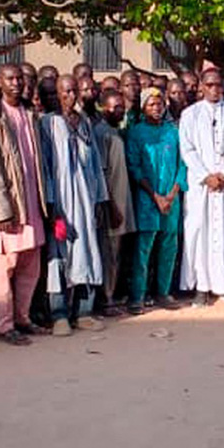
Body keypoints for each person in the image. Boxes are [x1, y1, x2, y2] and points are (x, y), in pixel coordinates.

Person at [0, 64, 45, 345]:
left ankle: (22, 317)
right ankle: (4, 325)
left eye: (19, 78)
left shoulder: (30, 114)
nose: (16, 83)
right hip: (9, 206)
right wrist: (2, 210)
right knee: (5, 267)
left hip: (32, 203)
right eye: (10, 79)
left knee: (30, 264)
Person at [40, 75, 110, 333]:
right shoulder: (47, 124)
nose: (71, 96)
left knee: (88, 253)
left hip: (86, 200)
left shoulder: (85, 124)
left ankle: (84, 312)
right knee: (58, 257)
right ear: (57, 95)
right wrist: (51, 206)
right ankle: (59, 315)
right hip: (61, 202)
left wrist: (101, 200)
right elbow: (45, 168)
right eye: (66, 92)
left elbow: (95, 165)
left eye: (74, 92)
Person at [180, 69, 224, 307]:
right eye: (209, 85)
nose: (214, 89)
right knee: (200, 234)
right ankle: (202, 286)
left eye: (218, 85)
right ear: (202, 86)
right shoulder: (190, 114)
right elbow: (187, 149)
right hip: (202, 185)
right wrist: (206, 176)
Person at [125, 87, 186, 314]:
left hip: (172, 199)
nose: (156, 108)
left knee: (169, 246)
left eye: (159, 104)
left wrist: (171, 194)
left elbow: (183, 164)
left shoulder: (173, 132)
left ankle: (163, 292)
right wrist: (156, 196)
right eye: (151, 104)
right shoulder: (136, 132)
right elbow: (134, 167)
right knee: (143, 249)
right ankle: (137, 296)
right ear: (143, 107)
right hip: (147, 199)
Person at [92, 89, 136, 316]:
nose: (121, 110)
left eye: (122, 106)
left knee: (116, 253)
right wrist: (111, 206)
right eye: (116, 107)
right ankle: (105, 299)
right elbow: (101, 172)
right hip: (112, 205)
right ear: (103, 108)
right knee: (108, 253)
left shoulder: (116, 131)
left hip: (122, 200)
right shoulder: (101, 133)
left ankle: (111, 295)